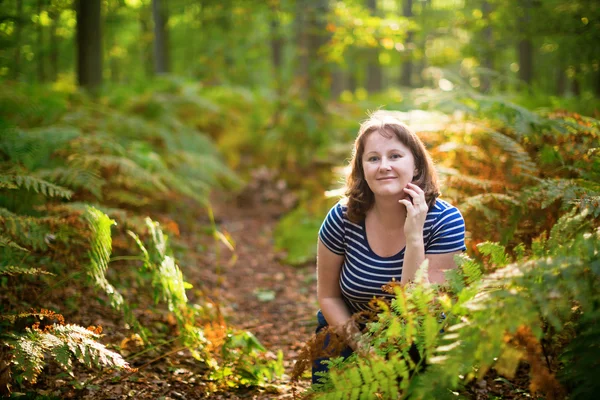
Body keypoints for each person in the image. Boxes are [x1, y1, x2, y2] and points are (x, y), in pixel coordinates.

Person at [312, 111, 466, 383]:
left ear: (416, 166)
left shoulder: (446, 221)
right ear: (363, 170)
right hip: (350, 329)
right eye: (373, 158)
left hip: (419, 333)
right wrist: (364, 349)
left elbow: (419, 309)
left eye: (395, 156)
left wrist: (414, 236)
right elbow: (328, 297)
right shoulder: (342, 217)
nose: (384, 166)